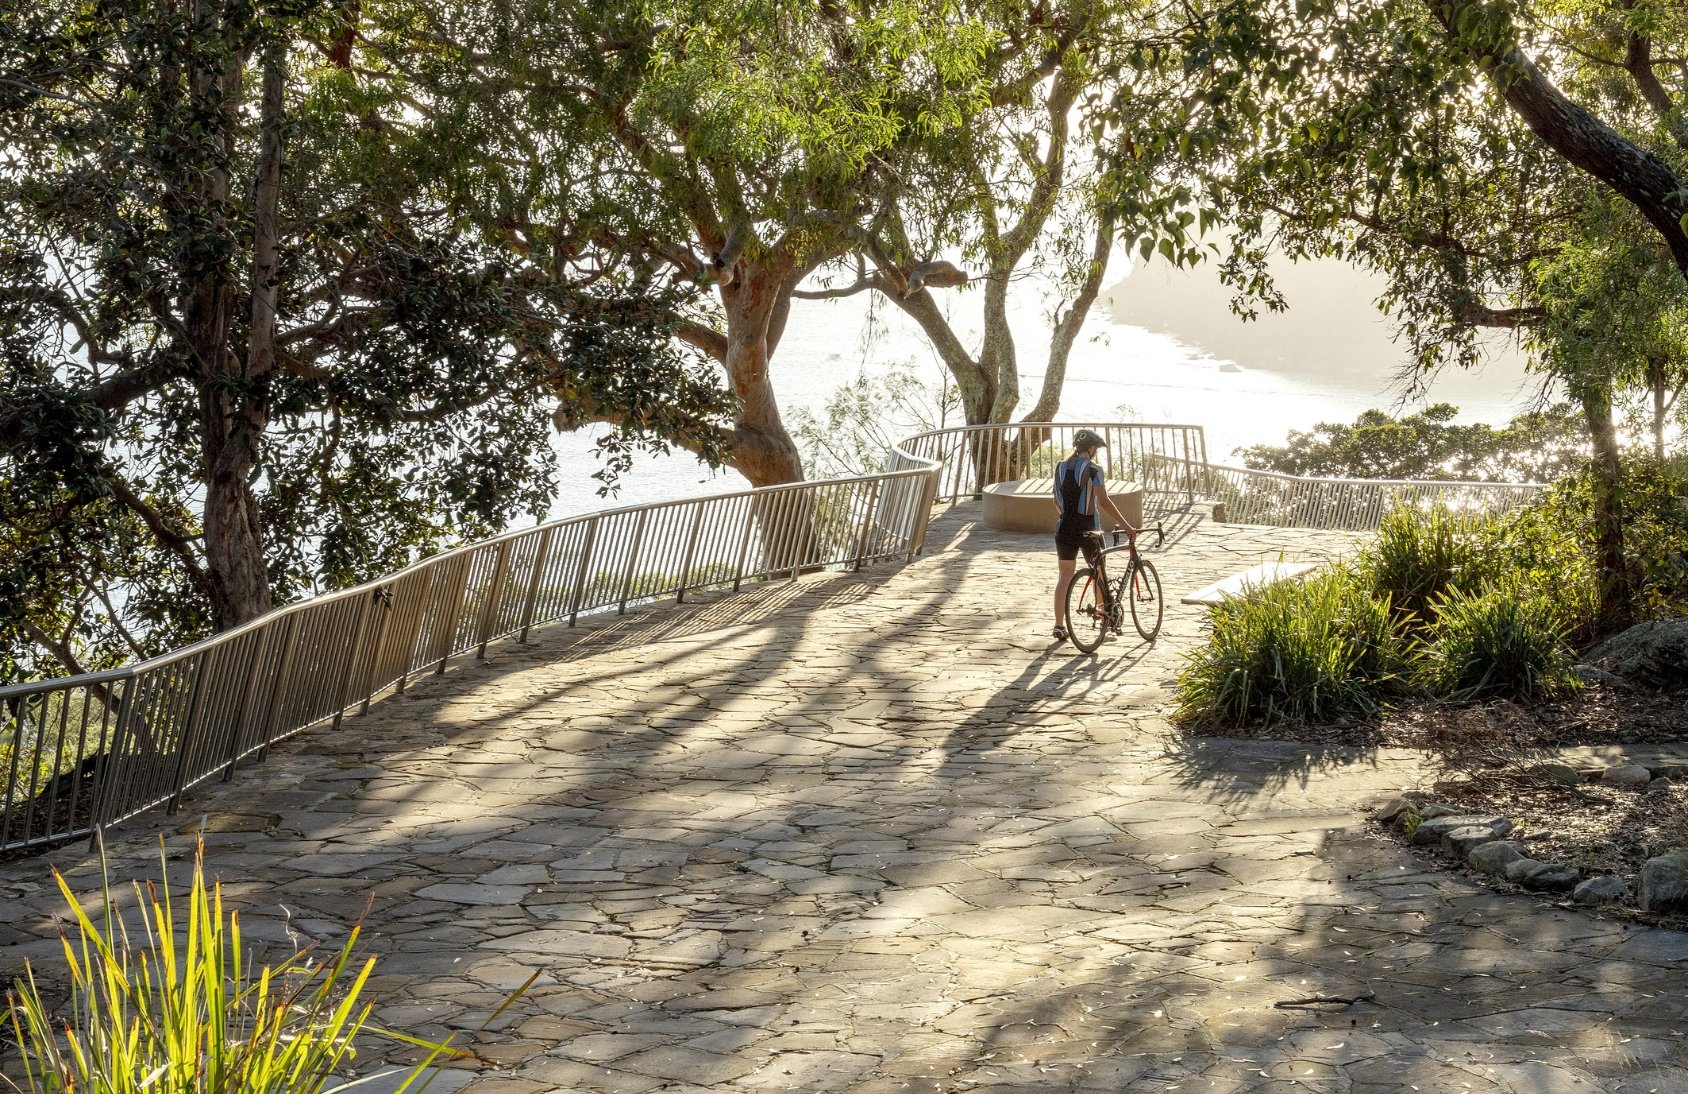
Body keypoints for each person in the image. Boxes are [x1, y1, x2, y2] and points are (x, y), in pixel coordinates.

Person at [1052, 429, 1134, 641]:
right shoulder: (1093, 469)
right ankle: (1103, 624)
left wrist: (1067, 518)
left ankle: (1059, 626)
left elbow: (1056, 501)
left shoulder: (1060, 467)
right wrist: (1126, 526)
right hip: (1089, 529)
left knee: (1064, 577)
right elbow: (1104, 501)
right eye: (1096, 448)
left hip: (1064, 528)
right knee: (1099, 574)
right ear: (1091, 448)